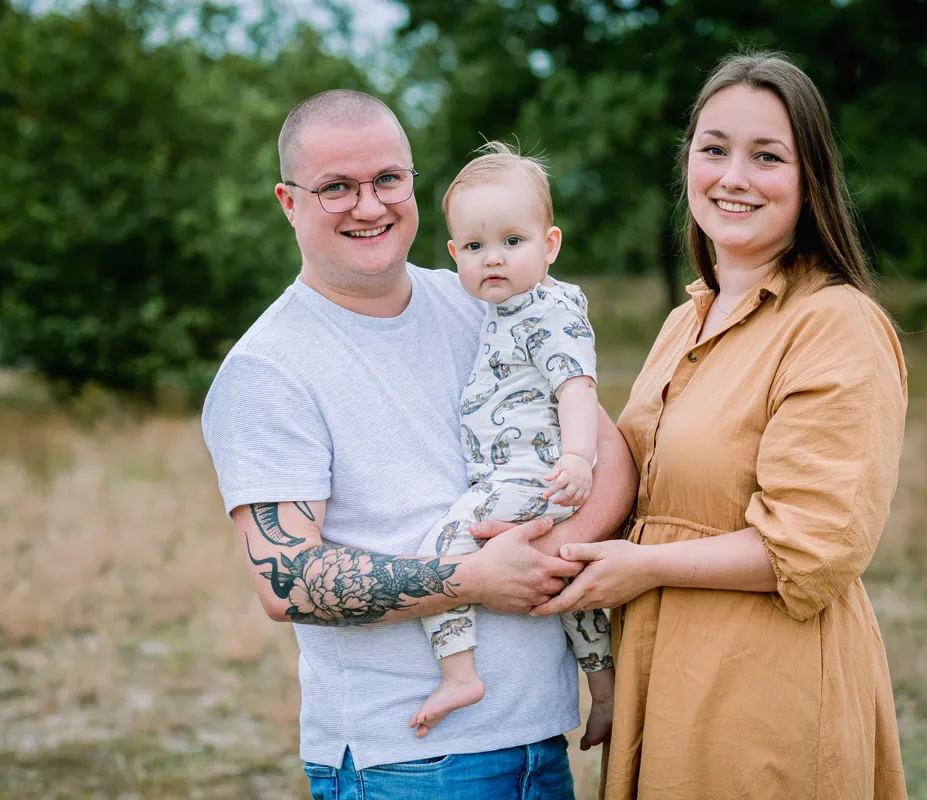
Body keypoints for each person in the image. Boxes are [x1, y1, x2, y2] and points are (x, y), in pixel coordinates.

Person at [200, 90, 637, 800]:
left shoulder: (484, 298)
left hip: (539, 740)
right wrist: (476, 579)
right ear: (288, 201)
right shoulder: (267, 369)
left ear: (412, 183)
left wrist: (553, 554)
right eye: (336, 187)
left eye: (386, 181)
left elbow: (607, 451)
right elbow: (286, 581)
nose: (368, 206)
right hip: (406, 762)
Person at [525, 52, 910, 798]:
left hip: (762, 687)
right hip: (660, 670)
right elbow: (630, 472)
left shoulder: (835, 324)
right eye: (714, 149)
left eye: (766, 156)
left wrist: (645, 566)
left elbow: (813, 546)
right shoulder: (687, 317)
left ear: (809, 181)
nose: (733, 176)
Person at [408, 142, 615, 747]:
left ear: (550, 244)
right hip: (524, 480)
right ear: (454, 255)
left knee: (440, 549)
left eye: (511, 242)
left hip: (534, 479)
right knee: (567, 589)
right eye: (474, 247)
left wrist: (577, 457)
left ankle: (460, 674)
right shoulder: (508, 311)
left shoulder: (548, 311)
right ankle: (604, 689)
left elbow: (576, 385)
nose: (491, 259)